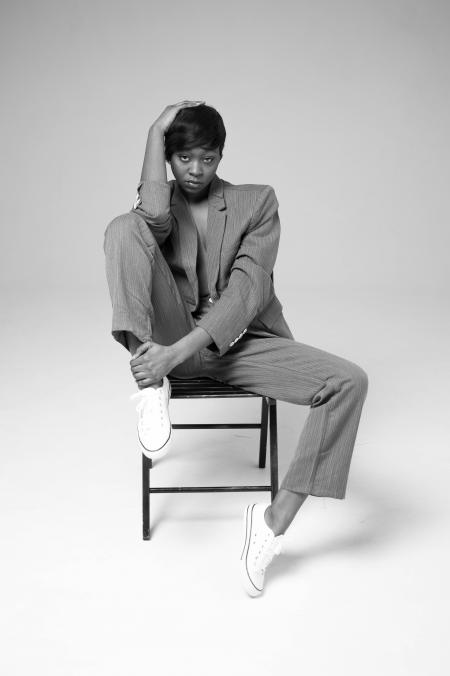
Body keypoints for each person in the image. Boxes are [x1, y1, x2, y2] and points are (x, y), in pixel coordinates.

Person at [104, 100, 369, 597]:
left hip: (240, 344)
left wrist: (176, 351)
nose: (195, 170)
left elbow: (247, 292)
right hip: (163, 347)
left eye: (207, 158)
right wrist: (154, 130)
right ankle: (149, 380)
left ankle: (271, 524)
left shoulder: (257, 201)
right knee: (122, 225)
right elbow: (152, 213)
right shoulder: (163, 212)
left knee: (349, 381)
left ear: (221, 156)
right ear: (169, 157)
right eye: (183, 158)